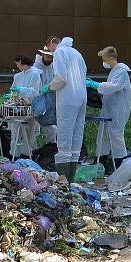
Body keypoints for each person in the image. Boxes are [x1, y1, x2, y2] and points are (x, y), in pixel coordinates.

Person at [42, 36, 87, 181]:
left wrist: (49, 86)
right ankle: (71, 179)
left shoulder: (60, 53)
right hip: (81, 97)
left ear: (52, 44)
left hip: (67, 99)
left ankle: (64, 180)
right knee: (76, 135)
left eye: (49, 49)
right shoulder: (77, 53)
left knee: (64, 137)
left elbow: (61, 78)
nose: (50, 52)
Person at [87, 46, 131, 174]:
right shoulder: (114, 70)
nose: (104, 62)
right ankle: (101, 164)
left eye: (104, 59)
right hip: (110, 110)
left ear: (111, 58)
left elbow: (114, 87)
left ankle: (121, 166)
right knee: (103, 137)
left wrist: (96, 85)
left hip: (117, 112)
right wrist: (97, 84)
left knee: (116, 137)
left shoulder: (121, 71)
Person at [9, 54, 42, 157]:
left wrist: (21, 90)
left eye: (18, 63)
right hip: (18, 108)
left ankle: (27, 154)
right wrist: (10, 96)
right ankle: (16, 154)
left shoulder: (35, 74)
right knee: (16, 133)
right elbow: (13, 90)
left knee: (29, 133)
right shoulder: (18, 76)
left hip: (31, 107)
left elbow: (35, 91)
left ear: (22, 63)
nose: (17, 66)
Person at [33, 46, 57, 144]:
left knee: (50, 126)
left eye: (51, 57)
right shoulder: (36, 67)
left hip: (50, 99)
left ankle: (51, 148)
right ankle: (31, 151)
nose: (49, 59)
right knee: (34, 128)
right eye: (47, 57)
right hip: (37, 99)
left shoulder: (52, 66)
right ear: (42, 55)